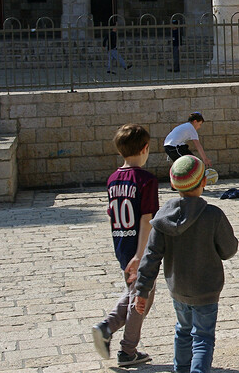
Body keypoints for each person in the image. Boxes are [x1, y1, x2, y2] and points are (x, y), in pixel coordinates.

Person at [135, 155, 238, 373]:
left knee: (183, 330)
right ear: (203, 182)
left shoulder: (163, 217)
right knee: (203, 336)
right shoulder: (213, 215)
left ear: (173, 184)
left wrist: (142, 290)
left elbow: (151, 256)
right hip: (207, 290)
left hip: (179, 289)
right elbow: (229, 250)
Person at [92, 124, 158, 367]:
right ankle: (127, 350)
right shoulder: (146, 180)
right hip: (140, 248)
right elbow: (146, 218)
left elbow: (111, 214)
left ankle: (106, 328)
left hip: (121, 243)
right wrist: (141, 254)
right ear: (145, 148)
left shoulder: (112, 179)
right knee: (142, 299)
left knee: (135, 293)